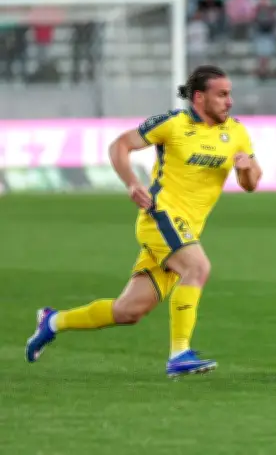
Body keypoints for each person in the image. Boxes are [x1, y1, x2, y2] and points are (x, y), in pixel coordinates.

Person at [25, 65, 263, 378]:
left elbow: (251, 183)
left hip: (187, 229)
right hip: (160, 216)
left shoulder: (236, 131)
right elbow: (119, 145)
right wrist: (131, 183)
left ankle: (53, 321)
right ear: (199, 97)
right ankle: (179, 353)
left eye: (230, 94)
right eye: (222, 94)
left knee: (129, 311)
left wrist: (245, 169)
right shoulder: (172, 124)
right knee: (198, 267)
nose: (229, 101)